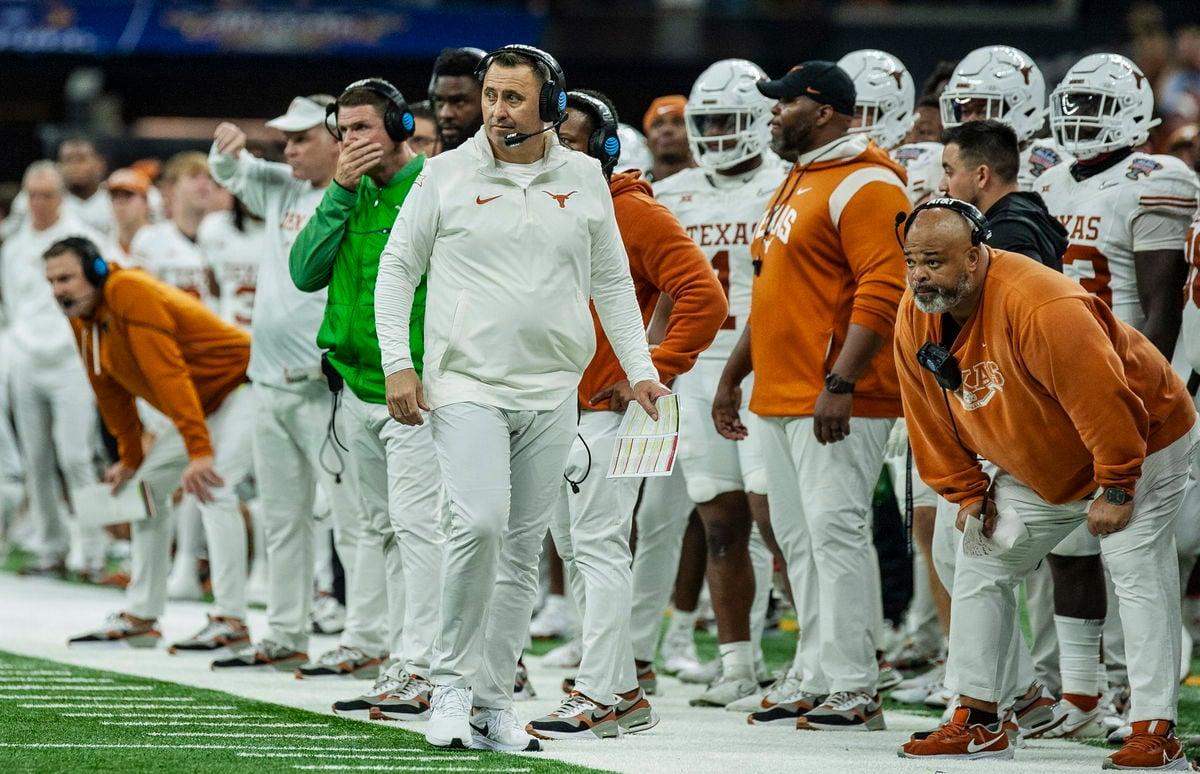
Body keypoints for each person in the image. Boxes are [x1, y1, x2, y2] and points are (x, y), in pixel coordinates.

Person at [375, 44, 667, 752]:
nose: (498, 110)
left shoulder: (585, 177)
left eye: (513, 97)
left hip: (553, 388)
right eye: (491, 96)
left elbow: (612, 284)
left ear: (552, 106)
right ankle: (446, 681)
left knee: (521, 551)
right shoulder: (443, 174)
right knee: (476, 523)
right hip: (465, 382)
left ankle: (491, 701)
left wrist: (641, 367)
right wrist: (398, 365)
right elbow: (396, 270)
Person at [894, 202, 1196, 770]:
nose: (919, 275)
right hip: (1043, 455)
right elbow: (925, 412)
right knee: (981, 558)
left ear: (977, 255)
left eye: (933, 261)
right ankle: (982, 718)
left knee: (1136, 569)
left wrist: (1116, 486)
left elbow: (1106, 400)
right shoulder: (916, 311)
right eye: (912, 261)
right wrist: (965, 490)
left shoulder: (1042, 302)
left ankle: (1155, 731)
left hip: (1143, 439)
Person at [712, 60, 910, 731]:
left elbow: (886, 291)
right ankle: (817, 673)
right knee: (797, 542)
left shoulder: (870, 181)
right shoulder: (798, 178)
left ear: (823, 110)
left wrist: (842, 382)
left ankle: (858, 687)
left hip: (837, 396)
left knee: (837, 534)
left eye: (783, 103)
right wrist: (733, 374)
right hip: (781, 389)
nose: (772, 113)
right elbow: (770, 294)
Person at [527, 87, 723, 738]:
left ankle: (605, 690)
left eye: (574, 141)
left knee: (601, 549)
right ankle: (616, 689)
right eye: (553, 140)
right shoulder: (559, 205)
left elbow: (704, 295)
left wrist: (652, 368)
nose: (558, 151)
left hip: (611, 409)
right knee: (579, 551)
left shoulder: (632, 211)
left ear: (607, 149)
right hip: (563, 406)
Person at [1039, 52, 1200, 739]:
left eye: (1098, 106)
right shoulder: (1045, 182)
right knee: (1070, 546)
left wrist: (1136, 395)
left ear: (1136, 112)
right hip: (1066, 389)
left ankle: (1143, 701)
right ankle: (1084, 694)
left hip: (1136, 390)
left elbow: (1159, 307)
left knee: (1143, 555)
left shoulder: (1158, 177)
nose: (1081, 120)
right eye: (1073, 105)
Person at [206, 93, 379, 676]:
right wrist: (225, 140)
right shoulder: (282, 187)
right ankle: (285, 631)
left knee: (350, 521)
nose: (289, 149)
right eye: (286, 140)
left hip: (326, 389)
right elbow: (230, 169)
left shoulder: (364, 195)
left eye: (301, 138)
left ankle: (365, 636)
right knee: (283, 518)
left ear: (339, 141)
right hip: (267, 384)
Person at [287, 79, 445, 709]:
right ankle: (385, 651)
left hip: (415, 389)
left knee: (418, 528)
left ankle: (421, 666)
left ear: (401, 127)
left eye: (362, 130)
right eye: (343, 131)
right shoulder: (347, 193)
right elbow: (305, 272)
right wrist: (340, 192)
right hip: (354, 386)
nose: (349, 143)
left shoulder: (436, 186)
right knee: (376, 528)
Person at [650, 58, 790, 710]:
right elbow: (660, 294)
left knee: (780, 521)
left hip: (770, 366)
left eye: (732, 120)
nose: (719, 133)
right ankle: (738, 663)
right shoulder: (673, 191)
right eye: (709, 122)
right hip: (697, 372)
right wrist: (650, 365)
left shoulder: (787, 183)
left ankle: (822, 660)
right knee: (720, 520)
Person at [49, 236, 256, 654]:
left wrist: (199, 452)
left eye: (67, 278)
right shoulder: (83, 319)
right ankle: (142, 617)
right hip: (200, 404)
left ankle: (232, 619)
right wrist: (131, 457)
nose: (58, 290)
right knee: (144, 491)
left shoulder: (129, 292)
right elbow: (109, 391)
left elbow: (168, 374)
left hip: (241, 385)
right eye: (52, 281)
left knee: (212, 487)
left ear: (96, 270)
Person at [0, 161, 107, 579]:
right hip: (27, 358)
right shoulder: (12, 245)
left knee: (77, 456)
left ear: (61, 198)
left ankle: (94, 549)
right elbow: (12, 305)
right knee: (35, 459)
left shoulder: (84, 240)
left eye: (47, 194)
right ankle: (50, 546)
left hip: (71, 360)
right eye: (33, 194)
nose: (39, 202)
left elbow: (103, 288)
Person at [940, 45, 1072, 192]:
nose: (970, 121)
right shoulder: (946, 163)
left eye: (983, 110)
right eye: (965, 111)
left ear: (1024, 108)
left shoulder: (1057, 164)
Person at [429, 46, 487, 151]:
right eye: (439, 100)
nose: (445, 114)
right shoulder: (426, 164)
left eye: (459, 101)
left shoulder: (516, 162)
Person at [643, 95, 695, 182]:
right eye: (658, 124)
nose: (666, 130)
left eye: (678, 122)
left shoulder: (715, 184)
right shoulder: (632, 188)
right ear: (646, 141)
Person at [107, 168, 153, 259]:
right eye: (115, 196)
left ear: (145, 201)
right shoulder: (103, 244)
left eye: (128, 195)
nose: (121, 202)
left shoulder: (161, 240)